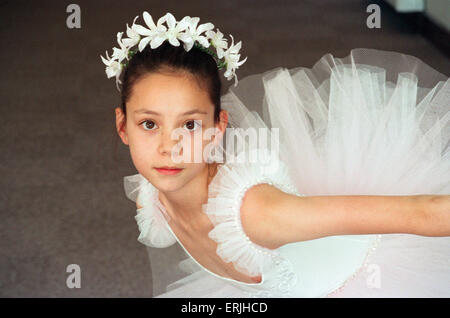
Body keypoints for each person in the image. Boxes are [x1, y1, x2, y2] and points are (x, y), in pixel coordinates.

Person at [102, 11, 450, 297]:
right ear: (123, 127)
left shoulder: (259, 213)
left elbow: (418, 212)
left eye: (190, 125)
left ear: (217, 128)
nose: (168, 146)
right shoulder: (151, 197)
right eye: (149, 124)